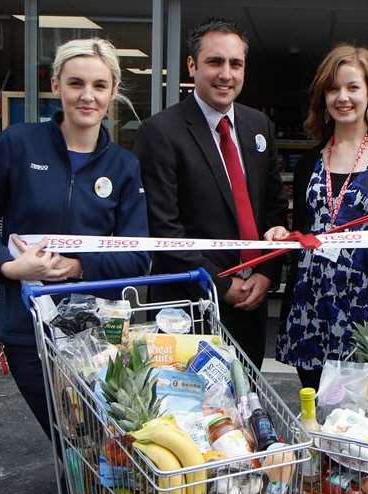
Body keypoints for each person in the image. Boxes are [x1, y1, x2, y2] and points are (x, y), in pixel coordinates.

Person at [0, 38, 150, 494]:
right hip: (29, 329)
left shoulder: (123, 167)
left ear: (112, 93)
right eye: (77, 83)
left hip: (100, 335)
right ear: (56, 86)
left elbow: (137, 257)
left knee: (93, 446)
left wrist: (79, 267)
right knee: (76, 440)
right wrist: (7, 266)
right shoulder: (19, 145)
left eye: (99, 86)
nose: (88, 95)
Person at [134, 18, 287, 370]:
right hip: (188, 308)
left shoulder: (257, 125)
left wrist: (267, 274)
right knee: (188, 416)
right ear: (192, 65)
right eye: (215, 62)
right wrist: (219, 283)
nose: (226, 74)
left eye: (236, 64)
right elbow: (164, 228)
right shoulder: (160, 132)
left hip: (252, 304)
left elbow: (275, 209)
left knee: (246, 408)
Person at [266, 45, 368, 389]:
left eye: (353, 87)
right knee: (314, 410)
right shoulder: (309, 163)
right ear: (323, 98)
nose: (343, 97)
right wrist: (283, 234)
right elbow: (302, 235)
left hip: (367, 311)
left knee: (364, 420)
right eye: (333, 89)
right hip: (311, 306)